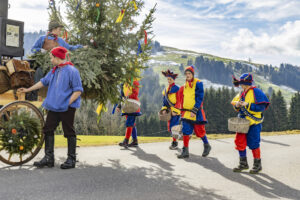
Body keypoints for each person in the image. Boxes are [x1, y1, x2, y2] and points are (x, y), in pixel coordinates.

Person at [18, 47, 83, 169]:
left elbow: (78, 91)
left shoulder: (72, 71)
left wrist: (66, 103)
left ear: (58, 57)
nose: (51, 60)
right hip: (54, 106)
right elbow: (43, 82)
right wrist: (28, 90)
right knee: (48, 129)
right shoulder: (54, 71)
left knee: (69, 131)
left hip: (67, 108)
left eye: (52, 57)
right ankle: (49, 158)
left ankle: (71, 159)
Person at [231, 73, 269, 174]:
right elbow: (235, 105)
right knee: (239, 141)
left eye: (242, 84)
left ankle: (257, 165)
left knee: (254, 143)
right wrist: (238, 105)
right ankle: (243, 164)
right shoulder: (241, 93)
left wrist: (248, 105)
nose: (240, 86)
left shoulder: (256, 92)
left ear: (247, 83)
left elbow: (261, 108)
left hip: (254, 122)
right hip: (242, 121)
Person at [177, 66, 211, 159]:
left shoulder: (198, 83)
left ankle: (207, 145)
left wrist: (195, 110)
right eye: (186, 74)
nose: (187, 75)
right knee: (186, 131)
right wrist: (180, 110)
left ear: (192, 74)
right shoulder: (184, 86)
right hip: (186, 112)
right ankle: (185, 151)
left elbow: (200, 98)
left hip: (196, 113)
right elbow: (183, 99)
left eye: (189, 74)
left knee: (199, 131)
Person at [116, 79, 142, 148]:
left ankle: (126, 141)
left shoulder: (135, 82)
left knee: (129, 123)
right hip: (126, 106)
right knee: (131, 124)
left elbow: (135, 94)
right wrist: (119, 106)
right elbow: (121, 96)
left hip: (133, 105)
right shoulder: (123, 83)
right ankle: (135, 141)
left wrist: (127, 97)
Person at [161, 70, 181, 150]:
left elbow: (179, 101)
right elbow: (164, 101)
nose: (169, 81)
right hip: (169, 112)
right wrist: (164, 109)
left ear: (173, 80)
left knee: (174, 127)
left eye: (170, 79)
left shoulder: (177, 89)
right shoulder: (166, 90)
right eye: (168, 79)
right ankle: (175, 140)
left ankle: (175, 143)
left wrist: (175, 111)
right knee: (170, 127)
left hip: (176, 112)